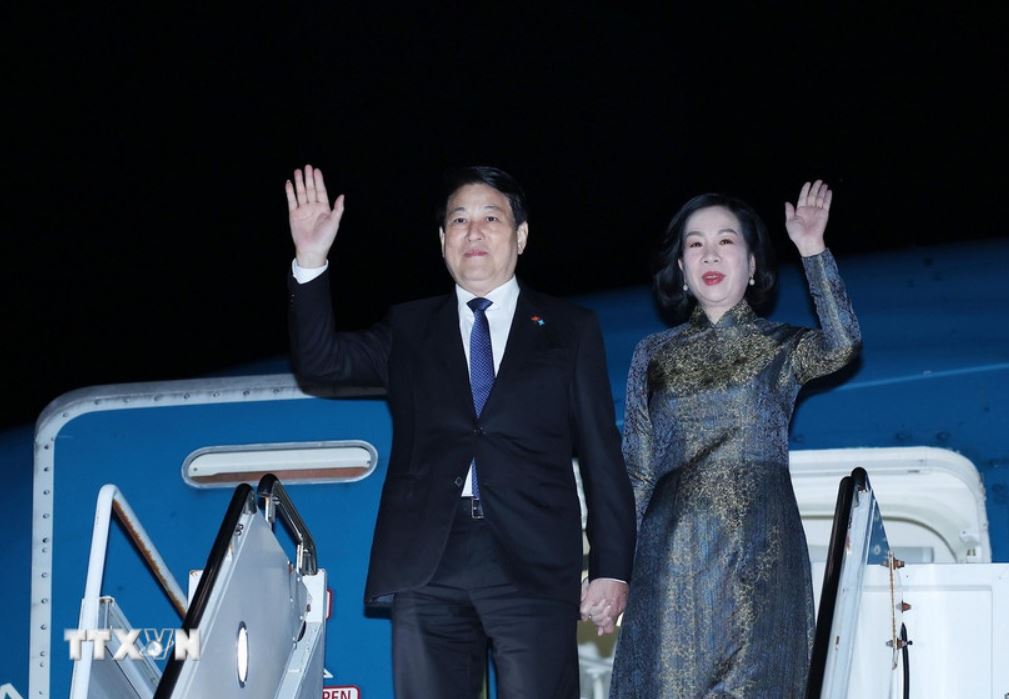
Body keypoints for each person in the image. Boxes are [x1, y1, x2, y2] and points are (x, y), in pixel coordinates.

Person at [285, 164, 636, 698]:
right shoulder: (409, 328)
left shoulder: (570, 329)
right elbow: (320, 363)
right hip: (429, 563)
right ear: (442, 240)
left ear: (520, 235)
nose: (473, 231)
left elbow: (600, 454)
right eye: (459, 219)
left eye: (490, 218)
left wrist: (612, 568)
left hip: (534, 563)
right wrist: (311, 260)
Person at [609, 181, 861, 697]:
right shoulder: (653, 354)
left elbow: (842, 345)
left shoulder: (782, 346)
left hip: (761, 554)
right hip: (673, 559)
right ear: (681, 269)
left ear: (751, 265)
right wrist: (610, 570)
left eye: (726, 241)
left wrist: (813, 250)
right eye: (695, 244)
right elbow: (636, 470)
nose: (710, 254)